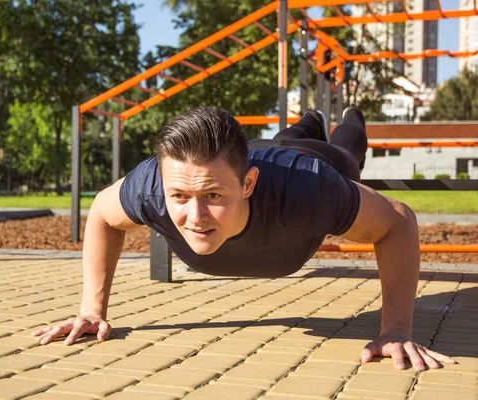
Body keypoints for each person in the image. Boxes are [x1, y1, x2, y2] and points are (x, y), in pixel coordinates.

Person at [32, 106, 456, 371]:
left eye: (213, 197)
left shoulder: (310, 189)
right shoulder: (151, 186)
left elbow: (398, 221)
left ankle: (348, 118)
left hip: (312, 161)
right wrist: (91, 309)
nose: (194, 217)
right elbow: (103, 217)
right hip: (257, 153)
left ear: (248, 184)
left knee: (347, 152)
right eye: (179, 196)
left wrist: (396, 329)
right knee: (281, 140)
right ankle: (309, 120)